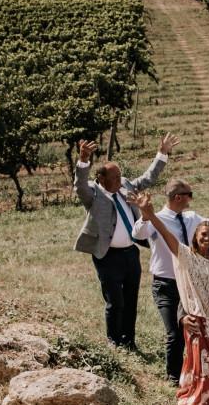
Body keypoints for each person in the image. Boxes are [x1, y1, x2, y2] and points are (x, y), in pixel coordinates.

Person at [130, 192, 209, 405]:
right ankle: (201, 404)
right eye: (203, 234)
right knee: (202, 365)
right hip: (198, 320)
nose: (207, 238)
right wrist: (149, 213)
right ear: (195, 236)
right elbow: (165, 233)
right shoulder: (186, 256)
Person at [72, 134, 176, 351]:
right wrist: (83, 161)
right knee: (115, 301)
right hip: (107, 256)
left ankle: (129, 341)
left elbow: (147, 179)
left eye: (120, 176)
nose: (120, 180)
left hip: (130, 253)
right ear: (102, 179)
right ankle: (114, 340)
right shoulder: (92, 194)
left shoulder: (125, 186)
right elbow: (80, 185)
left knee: (130, 300)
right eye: (115, 177)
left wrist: (162, 154)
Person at [132, 177, 209, 385]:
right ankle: (173, 377)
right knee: (174, 331)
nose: (191, 200)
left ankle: (194, 371)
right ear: (178, 197)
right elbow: (137, 233)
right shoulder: (156, 219)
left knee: (193, 328)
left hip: (190, 283)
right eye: (189, 195)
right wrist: (145, 214)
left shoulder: (192, 217)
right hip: (166, 284)